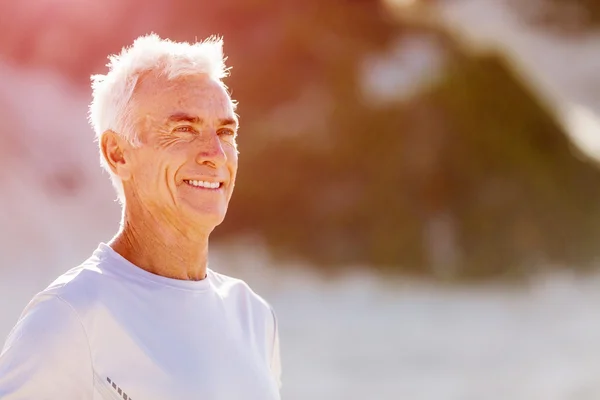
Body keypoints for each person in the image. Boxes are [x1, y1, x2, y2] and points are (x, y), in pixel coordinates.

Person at [0, 33, 282, 399]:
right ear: (118, 153)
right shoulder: (70, 317)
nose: (216, 153)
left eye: (225, 132)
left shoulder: (253, 316)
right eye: (184, 129)